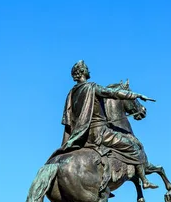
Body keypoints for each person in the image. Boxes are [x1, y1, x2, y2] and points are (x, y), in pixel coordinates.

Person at [51, 60, 158, 189]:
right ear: (83, 71)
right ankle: (144, 181)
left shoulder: (71, 94)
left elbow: (68, 120)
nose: (88, 70)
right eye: (87, 68)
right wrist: (136, 95)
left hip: (82, 137)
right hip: (100, 133)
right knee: (134, 147)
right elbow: (113, 93)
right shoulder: (91, 87)